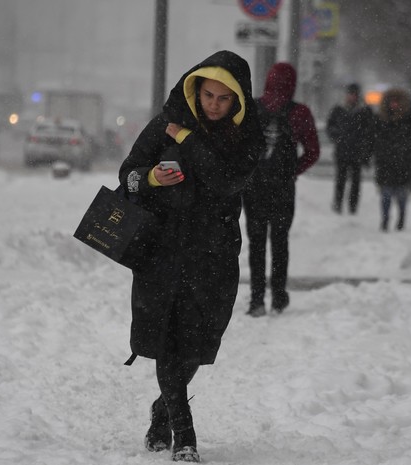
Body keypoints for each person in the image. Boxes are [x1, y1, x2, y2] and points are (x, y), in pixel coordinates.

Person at [118, 50, 264, 463]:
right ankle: (185, 437)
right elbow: (127, 173)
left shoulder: (246, 136)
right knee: (169, 339)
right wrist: (149, 177)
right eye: (208, 95)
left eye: (223, 98)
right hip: (162, 251)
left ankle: (162, 409)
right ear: (195, 91)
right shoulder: (162, 124)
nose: (213, 105)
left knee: (197, 345)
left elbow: (225, 179)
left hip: (214, 256)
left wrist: (187, 139)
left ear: (237, 101)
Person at [242, 62, 320, 317]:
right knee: (280, 242)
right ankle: (278, 296)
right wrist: (292, 170)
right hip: (283, 189)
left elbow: (237, 144)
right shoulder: (300, 113)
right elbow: (313, 151)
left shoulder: (251, 108)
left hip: (254, 188)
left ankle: (256, 300)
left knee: (256, 243)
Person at [372, 88, 411, 231]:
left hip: (403, 163)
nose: (393, 104)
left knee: (401, 195)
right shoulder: (380, 120)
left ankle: (401, 220)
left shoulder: (409, 119)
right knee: (386, 195)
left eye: (396, 102)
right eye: (391, 102)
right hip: (385, 163)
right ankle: (385, 220)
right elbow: (374, 139)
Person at [326, 83, 374, 214]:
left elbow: (371, 133)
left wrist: (366, 151)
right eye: (350, 94)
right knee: (340, 179)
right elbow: (330, 127)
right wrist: (337, 136)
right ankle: (338, 203)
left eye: (354, 94)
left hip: (357, 152)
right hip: (342, 151)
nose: (352, 97)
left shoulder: (365, 111)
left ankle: (353, 206)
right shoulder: (338, 109)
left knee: (356, 181)